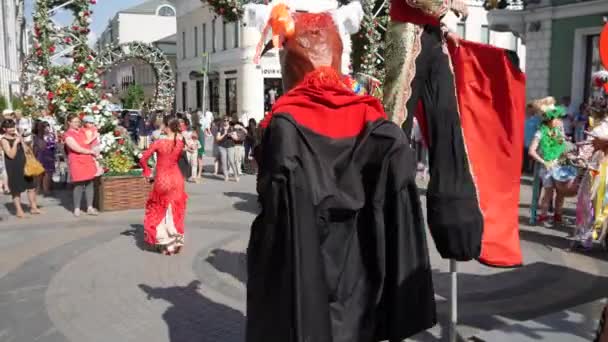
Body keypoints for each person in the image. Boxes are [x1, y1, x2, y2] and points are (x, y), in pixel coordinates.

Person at [246, 2, 436, 341]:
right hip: (363, 279)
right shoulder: (380, 125)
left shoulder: (284, 125)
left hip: (306, 278)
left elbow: (277, 224)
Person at [139, 115, 188, 255]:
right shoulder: (179, 142)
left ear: (166, 126)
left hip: (162, 179)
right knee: (174, 209)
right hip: (176, 178)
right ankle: (174, 241)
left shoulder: (159, 142)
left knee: (160, 209)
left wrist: (147, 172)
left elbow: (143, 159)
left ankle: (164, 241)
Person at [528, 97, 568, 224]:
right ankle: (543, 215)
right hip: (546, 168)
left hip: (558, 165)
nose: (559, 120)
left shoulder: (558, 131)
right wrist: (545, 162)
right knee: (549, 192)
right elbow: (531, 151)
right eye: (557, 118)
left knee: (561, 193)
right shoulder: (540, 132)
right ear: (550, 119)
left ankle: (558, 215)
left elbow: (563, 146)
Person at [1, 119, 41, 218]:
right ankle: (19, 211)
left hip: (25, 165)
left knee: (31, 187)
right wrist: (15, 143)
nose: (12, 129)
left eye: (13, 127)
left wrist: (21, 140)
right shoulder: (3, 140)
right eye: (9, 128)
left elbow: (27, 149)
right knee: (16, 189)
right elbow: (10, 155)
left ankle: (33, 207)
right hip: (14, 167)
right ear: (4, 129)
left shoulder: (17, 136)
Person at [63, 113, 99, 217]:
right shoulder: (68, 135)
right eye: (74, 122)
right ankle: (77, 208)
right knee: (78, 185)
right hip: (77, 161)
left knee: (89, 183)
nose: (77, 124)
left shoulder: (83, 131)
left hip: (87, 160)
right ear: (69, 123)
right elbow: (76, 148)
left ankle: (89, 207)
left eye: (78, 121)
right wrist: (90, 152)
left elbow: (91, 137)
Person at [33, 120, 57, 195]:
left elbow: (54, 146)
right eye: (44, 127)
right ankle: (38, 188)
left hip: (49, 156)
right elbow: (37, 148)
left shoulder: (51, 135)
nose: (47, 128)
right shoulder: (37, 137)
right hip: (41, 156)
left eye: (48, 126)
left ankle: (46, 189)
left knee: (48, 173)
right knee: (39, 174)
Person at [215, 117, 239, 182]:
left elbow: (236, 138)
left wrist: (232, 135)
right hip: (222, 147)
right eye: (224, 120)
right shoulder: (220, 128)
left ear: (229, 121)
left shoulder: (232, 128)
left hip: (230, 146)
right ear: (223, 121)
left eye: (227, 120)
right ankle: (226, 176)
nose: (225, 122)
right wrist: (224, 134)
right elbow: (217, 139)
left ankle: (236, 175)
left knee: (231, 161)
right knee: (224, 162)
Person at [523, 104, 541, 174]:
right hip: (523, 140)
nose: (528, 111)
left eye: (530, 109)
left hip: (532, 140)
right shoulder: (523, 117)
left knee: (532, 156)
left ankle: (531, 170)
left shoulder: (536, 119)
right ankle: (524, 169)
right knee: (524, 156)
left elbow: (539, 129)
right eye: (528, 109)